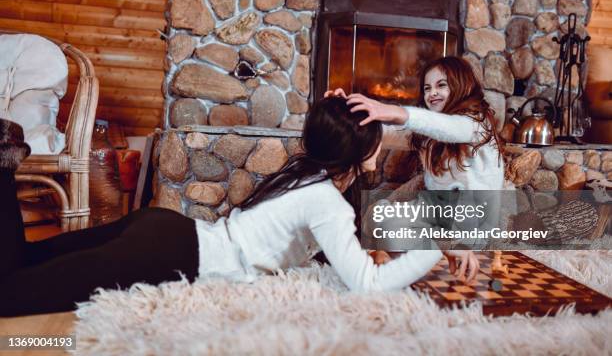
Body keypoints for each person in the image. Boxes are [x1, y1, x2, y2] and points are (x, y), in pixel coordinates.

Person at [0, 97, 475, 317]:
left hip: (167, 231)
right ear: (358, 154)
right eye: (374, 144)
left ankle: (5, 165)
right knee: (13, 295)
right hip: (170, 254)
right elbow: (368, 286)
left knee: (29, 261)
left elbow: (342, 241)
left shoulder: (306, 172)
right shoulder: (325, 199)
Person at [329, 56, 507, 269]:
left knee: (396, 236)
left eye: (441, 85)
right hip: (435, 219)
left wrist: (393, 111)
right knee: (377, 214)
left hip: (470, 225)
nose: (432, 93)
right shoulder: (428, 134)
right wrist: (345, 112)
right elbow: (384, 134)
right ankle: (432, 252)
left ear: (464, 86)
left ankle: (435, 252)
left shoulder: (478, 124)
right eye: (427, 88)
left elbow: (449, 127)